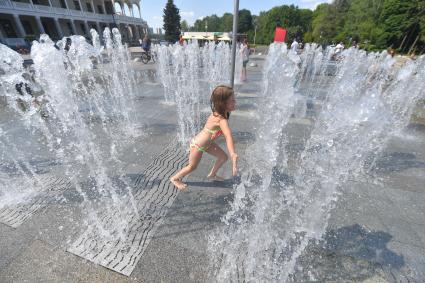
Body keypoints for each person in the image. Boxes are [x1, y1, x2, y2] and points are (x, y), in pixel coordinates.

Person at [170, 85, 238, 190]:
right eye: (232, 101)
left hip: (208, 144)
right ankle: (175, 178)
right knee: (192, 167)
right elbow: (228, 137)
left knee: (223, 157)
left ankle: (212, 174)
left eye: (234, 99)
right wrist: (233, 154)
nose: (235, 102)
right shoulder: (221, 120)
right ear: (223, 104)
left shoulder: (221, 113)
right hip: (198, 145)